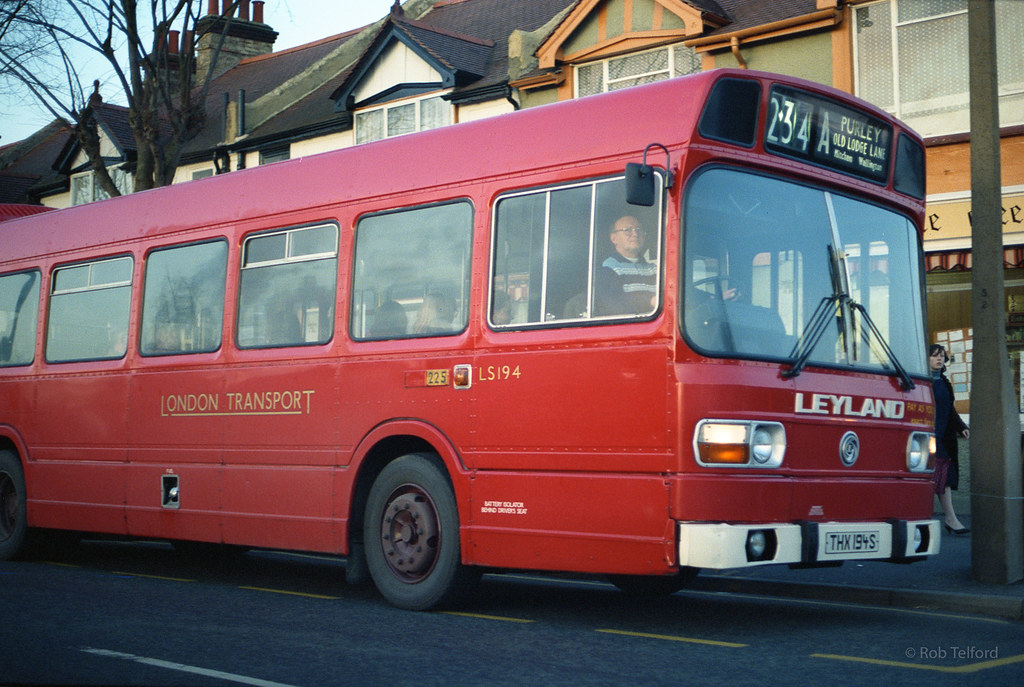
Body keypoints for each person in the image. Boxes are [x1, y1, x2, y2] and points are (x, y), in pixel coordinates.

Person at [929, 343, 970, 535]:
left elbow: (950, 409)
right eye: (935, 355)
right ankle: (947, 518)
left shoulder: (944, 381)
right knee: (933, 478)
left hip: (942, 437)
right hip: (926, 436)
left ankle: (951, 518)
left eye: (942, 356)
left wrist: (961, 427)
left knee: (944, 477)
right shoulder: (922, 381)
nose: (939, 359)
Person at [593, 215, 657, 316]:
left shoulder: (654, 269)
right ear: (614, 238)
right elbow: (614, 306)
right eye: (628, 230)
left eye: (638, 229)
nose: (635, 234)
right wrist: (650, 301)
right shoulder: (607, 269)